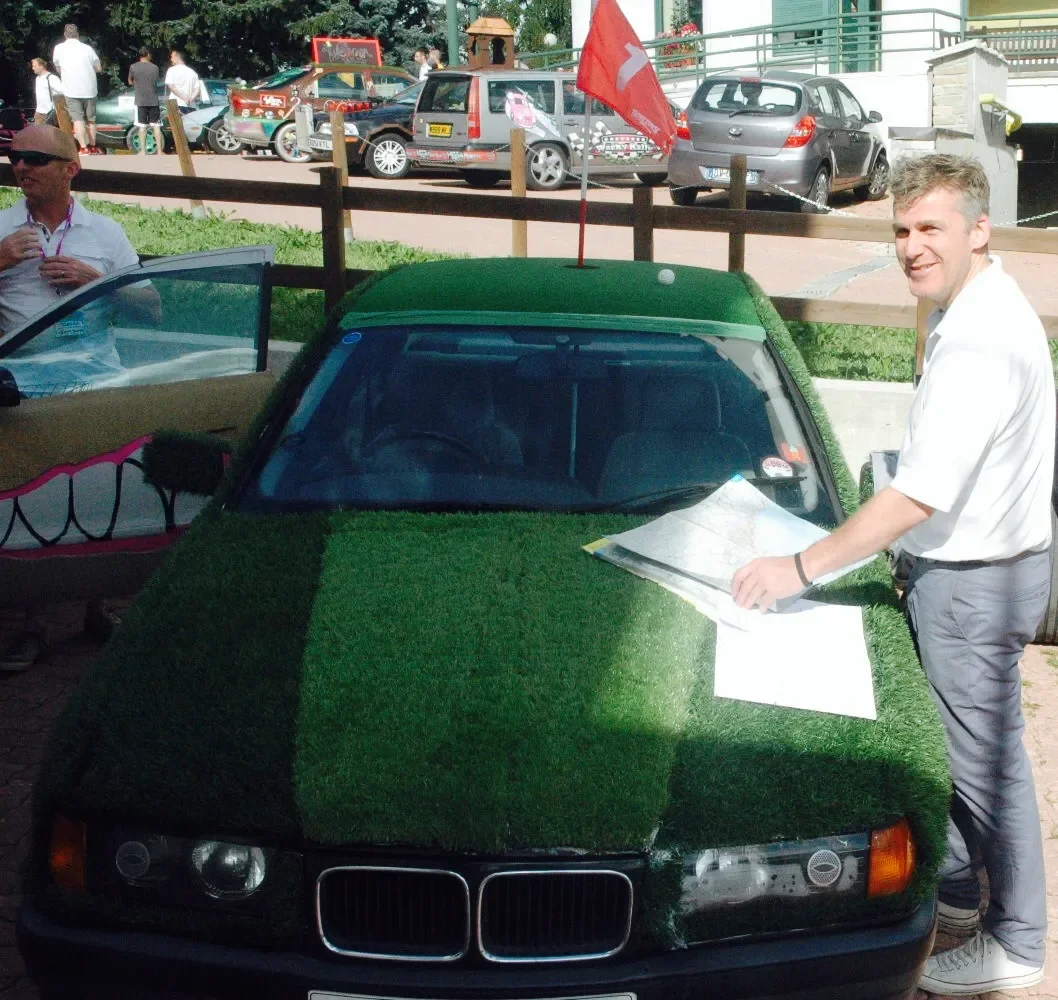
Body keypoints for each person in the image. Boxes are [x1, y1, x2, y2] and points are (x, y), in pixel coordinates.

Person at [732, 153, 1053, 994]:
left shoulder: (980, 340)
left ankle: (1018, 944)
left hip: (974, 580)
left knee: (986, 766)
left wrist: (800, 565)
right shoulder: (974, 297)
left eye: (930, 229)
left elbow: (918, 496)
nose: (912, 247)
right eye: (902, 231)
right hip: (994, 559)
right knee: (962, 749)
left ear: (979, 229)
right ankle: (956, 893)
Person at [0, 126, 151, 670]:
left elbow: (151, 308)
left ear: (71, 168)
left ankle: (98, 606)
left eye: (37, 158)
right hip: (20, 386)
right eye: (16, 157)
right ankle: (31, 624)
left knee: (101, 490)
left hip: (95, 380)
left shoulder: (105, 234)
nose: (23, 167)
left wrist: (97, 282)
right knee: (29, 499)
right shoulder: (0, 229)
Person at [52, 24, 102, 154]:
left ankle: (84, 148)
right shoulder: (87, 49)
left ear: (65, 35)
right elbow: (99, 68)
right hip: (90, 89)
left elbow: (57, 67)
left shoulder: (59, 49)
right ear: (78, 35)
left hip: (71, 89)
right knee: (91, 120)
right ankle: (93, 146)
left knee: (78, 119)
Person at [128, 47, 162, 155]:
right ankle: (160, 151)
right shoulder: (155, 68)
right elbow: (156, 81)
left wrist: (137, 84)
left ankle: (142, 151)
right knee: (156, 126)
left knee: (141, 127)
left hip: (140, 101)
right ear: (147, 54)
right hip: (153, 100)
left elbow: (129, 81)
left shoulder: (133, 67)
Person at [30, 57, 63, 125]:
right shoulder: (37, 78)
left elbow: (62, 92)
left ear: (41, 66)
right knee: (37, 134)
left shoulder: (51, 78)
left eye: (34, 66)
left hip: (49, 113)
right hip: (39, 112)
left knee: (49, 134)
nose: (33, 68)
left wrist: (56, 109)